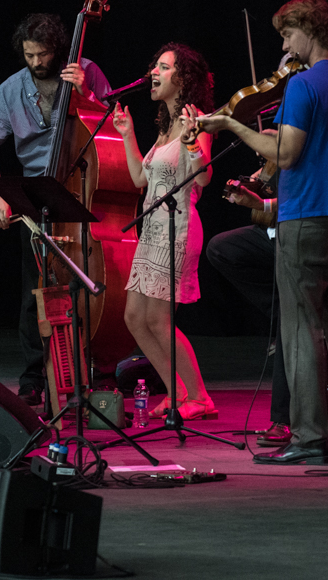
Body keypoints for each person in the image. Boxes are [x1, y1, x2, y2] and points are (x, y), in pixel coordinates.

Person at [196, 0, 328, 465]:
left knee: (300, 330)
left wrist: (232, 127)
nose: (285, 46)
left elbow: (288, 155)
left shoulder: (303, 86)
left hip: (305, 220)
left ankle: (309, 437)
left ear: (309, 31)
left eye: (287, 34)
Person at [206, 133, 328, 447]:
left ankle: (288, 422)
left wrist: (262, 199)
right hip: (291, 230)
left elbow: (314, 199)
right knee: (224, 250)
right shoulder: (306, 126)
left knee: (295, 312)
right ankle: (284, 314)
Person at [0, 13, 111, 406]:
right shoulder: (9, 90)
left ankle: (89, 367)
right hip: (36, 191)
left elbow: (109, 124)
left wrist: (85, 95)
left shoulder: (85, 72)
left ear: (58, 48)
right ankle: (34, 375)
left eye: (43, 53)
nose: (37, 62)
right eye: (29, 54)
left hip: (82, 184)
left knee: (83, 283)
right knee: (34, 287)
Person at [110, 43, 216, 421]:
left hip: (178, 228)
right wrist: (126, 134)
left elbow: (203, 176)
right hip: (151, 231)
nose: (153, 72)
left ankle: (200, 397)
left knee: (158, 320)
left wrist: (190, 140)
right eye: (154, 65)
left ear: (183, 78)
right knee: (134, 318)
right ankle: (177, 393)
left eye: (163, 67)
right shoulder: (164, 126)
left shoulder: (194, 120)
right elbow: (141, 177)